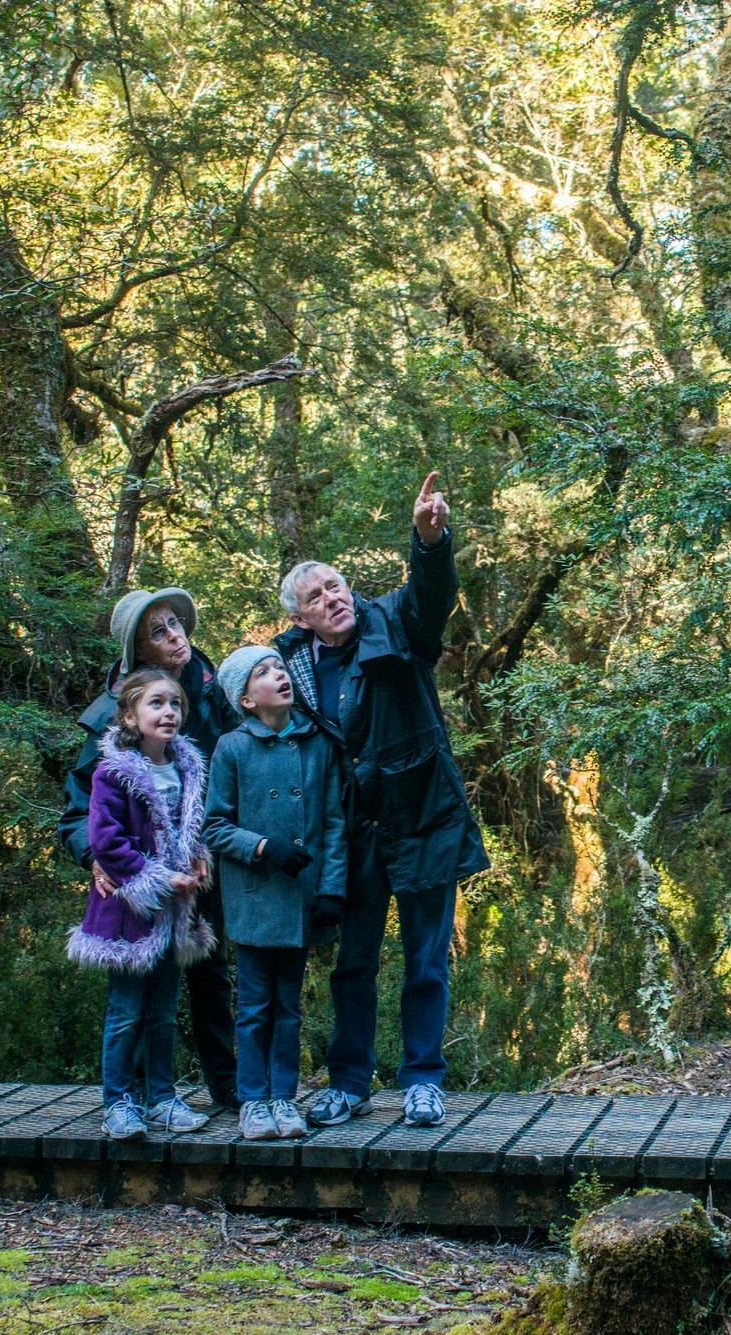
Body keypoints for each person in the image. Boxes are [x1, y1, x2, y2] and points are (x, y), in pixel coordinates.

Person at [276, 472, 489, 1129]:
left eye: (335, 585)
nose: (331, 598)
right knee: (355, 962)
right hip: (352, 831)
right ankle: (349, 1081)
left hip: (422, 814)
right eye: (315, 596)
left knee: (426, 960)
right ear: (300, 615)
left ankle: (423, 1078)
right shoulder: (292, 666)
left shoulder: (395, 619)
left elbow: (433, 596)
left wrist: (430, 539)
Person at [56, 587, 240, 1112]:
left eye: (177, 624)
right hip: (137, 877)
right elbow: (79, 813)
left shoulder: (214, 691)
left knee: (211, 972)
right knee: (137, 987)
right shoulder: (110, 723)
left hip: (206, 864)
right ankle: (130, 1096)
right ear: (139, 652)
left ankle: (225, 1087)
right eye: (158, 631)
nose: (176, 636)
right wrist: (95, 860)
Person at [204, 646, 348, 1141]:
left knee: (289, 1007)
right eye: (262, 674)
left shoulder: (319, 744)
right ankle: (252, 1101)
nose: (278, 677)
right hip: (253, 895)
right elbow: (215, 827)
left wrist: (331, 889)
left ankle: (283, 1098)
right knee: (253, 1006)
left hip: (302, 899)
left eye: (280, 668)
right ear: (245, 699)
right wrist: (263, 846)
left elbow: (333, 823)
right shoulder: (232, 747)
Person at [68, 668, 218, 1139]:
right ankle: (119, 1102)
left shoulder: (188, 767)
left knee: (162, 1011)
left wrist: (197, 861)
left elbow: (189, 830)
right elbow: (105, 840)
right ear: (131, 715)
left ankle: (162, 1098)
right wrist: (155, 877)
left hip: (175, 913)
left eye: (175, 704)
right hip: (129, 912)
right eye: (156, 703)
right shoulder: (113, 772)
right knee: (126, 1011)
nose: (168, 712)